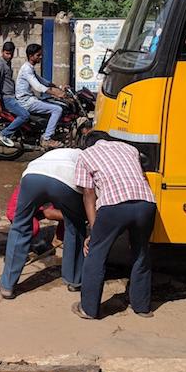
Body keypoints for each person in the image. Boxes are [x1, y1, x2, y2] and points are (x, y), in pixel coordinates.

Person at [71, 131, 157, 320]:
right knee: (141, 253)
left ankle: (89, 308)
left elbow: (88, 194)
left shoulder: (86, 155)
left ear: (88, 144)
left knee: (96, 254)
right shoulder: (129, 149)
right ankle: (142, 307)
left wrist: (94, 230)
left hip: (114, 206)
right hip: (146, 203)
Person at [0, 147, 87, 298]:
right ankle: (73, 280)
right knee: (75, 226)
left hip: (32, 176)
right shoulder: (87, 157)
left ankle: (7, 285)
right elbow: (88, 192)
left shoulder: (64, 152)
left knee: (20, 229)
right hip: (65, 180)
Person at [16, 43, 68, 149]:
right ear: (31, 56)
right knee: (57, 109)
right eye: (38, 55)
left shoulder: (30, 68)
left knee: (52, 102)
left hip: (30, 98)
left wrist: (59, 87)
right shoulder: (27, 69)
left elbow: (42, 81)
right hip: (26, 101)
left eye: (40, 55)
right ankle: (47, 139)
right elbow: (38, 87)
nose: (40, 57)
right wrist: (57, 93)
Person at [5, 184, 65, 253]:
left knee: (65, 210)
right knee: (34, 228)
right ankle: (16, 250)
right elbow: (48, 213)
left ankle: (60, 238)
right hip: (17, 210)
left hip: (35, 206)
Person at [0, 41, 30, 147]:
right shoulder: (0, 64)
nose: (9, 56)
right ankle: (4, 134)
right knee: (25, 115)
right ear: (2, 52)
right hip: (6, 98)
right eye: (7, 53)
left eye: (11, 54)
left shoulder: (7, 63)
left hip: (12, 96)